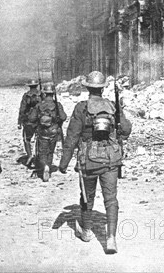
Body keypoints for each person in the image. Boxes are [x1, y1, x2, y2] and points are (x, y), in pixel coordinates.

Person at [58, 71, 132, 254]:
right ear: (103, 88)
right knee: (111, 199)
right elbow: (127, 130)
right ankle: (111, 238)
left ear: (87, 87)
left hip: (88, 159)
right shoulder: (112, 106)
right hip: (111, 160)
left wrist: (64, 162)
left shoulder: (81, 108)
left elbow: (72, 136)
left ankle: (87, 231)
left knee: (86, 197)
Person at [33, 81, 67, 182]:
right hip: (54, 131)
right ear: (53, 93)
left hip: (42, 132)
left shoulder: (39, 105)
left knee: (42, 152)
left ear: (44, 93)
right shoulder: (57, 105)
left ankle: (44, 166)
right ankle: (48, 165)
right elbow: (63, 117)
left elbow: (32, 118)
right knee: (50, 152)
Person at [17, 80, 42, 166]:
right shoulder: (41, 94)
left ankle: (30, 155)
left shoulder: (26, 95)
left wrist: (19, 121)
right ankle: (38, 156)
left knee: (26, 139)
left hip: (28, 121)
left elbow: (22, 109)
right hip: (39, 120)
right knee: (39, 139)